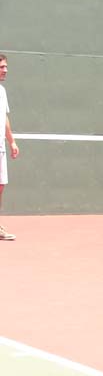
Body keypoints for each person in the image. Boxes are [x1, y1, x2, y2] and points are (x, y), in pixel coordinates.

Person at [0, 54, 19, 241]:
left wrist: (11, 141)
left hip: (0, 148)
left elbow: (4, 117)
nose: (5, 70)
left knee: (0, 185)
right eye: (2, 67)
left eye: (6, 66)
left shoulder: (2, 91)